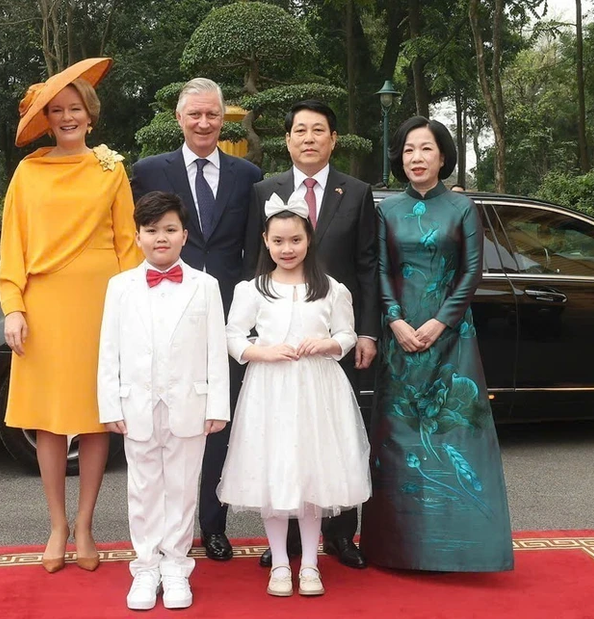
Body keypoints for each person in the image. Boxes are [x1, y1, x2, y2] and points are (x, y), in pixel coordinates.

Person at [0, 57, 140, 574]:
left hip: (103, 304)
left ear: (90, 113)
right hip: (44, 307)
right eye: (56, 110)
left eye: (75, 107)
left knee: (98, 418)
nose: (67, 117)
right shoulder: (28, 172)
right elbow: (12, 245)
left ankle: (85, 525)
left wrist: (135, 309)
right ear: (46, 120)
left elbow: (129, 243)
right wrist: (13, 307)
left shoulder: (110, 168)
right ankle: (57, 524)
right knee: (50, 422)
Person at [359, 116, 513, 572]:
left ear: (443, 156)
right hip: (398, 338)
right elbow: (379, 270)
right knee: (399, 438)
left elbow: (471, 271)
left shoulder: (462, 208)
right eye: (409, 150)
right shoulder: (386, 209)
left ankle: (461, 549)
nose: (417, 158)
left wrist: (440, 323)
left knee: (454, 435)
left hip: (452, 339)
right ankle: (397, 548)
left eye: (426, 149)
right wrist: (394, 320)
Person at [131, 78, 263, 561]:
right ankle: (166, 533)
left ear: (223, 119)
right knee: (164, 426)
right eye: (195, 115)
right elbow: (138, 241)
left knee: (216, 423)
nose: (204, 123)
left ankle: (213, 525)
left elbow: (254, 250)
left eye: (212, 115)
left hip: (227, 315)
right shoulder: (148, 171)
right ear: (179, 119)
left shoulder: (248, 175)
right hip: (165, 316)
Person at [245, 100, 378, 570]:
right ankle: (287, 542)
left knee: (332, 437)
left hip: (331, 337)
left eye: (318, 130)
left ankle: (340, 535)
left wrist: (366, 332)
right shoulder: (265, 190)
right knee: (283, 439)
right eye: (299, 130)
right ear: (287, 140)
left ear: (333, 139)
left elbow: (367, 265)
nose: (308, 138)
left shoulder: (357, 192)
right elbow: (252, 263)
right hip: (280, 343)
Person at [219, 193, 371, 597]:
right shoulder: (252, 289)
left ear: (309, 240)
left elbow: (347, 334)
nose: (287, 249)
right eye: (278, 241)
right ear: (266, 242)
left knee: (311, 474)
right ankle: (280, 563)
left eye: (295, 240)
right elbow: (233, 336)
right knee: (274, 472)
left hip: (317, 391)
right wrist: (262, 352)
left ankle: (310, 564)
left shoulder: (331, 289)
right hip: (269, 389)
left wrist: (328, 344)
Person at [98, 191, 229, 611]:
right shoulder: (119, 287)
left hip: (190, 402)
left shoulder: (205, 286)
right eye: (152, 230)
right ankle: (145, 566)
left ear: (184, 235)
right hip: (136, 402)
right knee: (143, 488)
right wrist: (110, 404)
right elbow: (109, 350)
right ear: (137, 236)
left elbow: (215, 350)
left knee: (183, 487)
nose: (161, 238)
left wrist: (217, 406)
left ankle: (175, 566)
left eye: (170, 230)